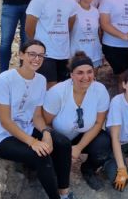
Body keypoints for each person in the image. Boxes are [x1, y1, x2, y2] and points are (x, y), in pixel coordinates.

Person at [0, 40, 74, 199]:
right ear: (21, 55)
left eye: (41, 55)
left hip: (26, 127)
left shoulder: (41, 80)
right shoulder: (5, 80)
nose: (36, 59)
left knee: (63, 143)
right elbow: (5, 121)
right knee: (41, 154)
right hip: (0, 136)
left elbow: (36, 116)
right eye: (32, 54)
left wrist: (45, 132)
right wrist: (33, 142)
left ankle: (64, 192)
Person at [43, 52, 112, 192]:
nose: (86, 77)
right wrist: (62, 149)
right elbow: (45, 123)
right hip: (58, 136)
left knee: (104, 143)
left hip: (81, 134)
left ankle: (88, 169)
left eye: (89, 72)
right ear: (71, 75)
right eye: (80, 73)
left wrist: (79, 147)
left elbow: (99, 123)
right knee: (54, 170)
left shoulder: (100, 90)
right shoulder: (57, 92)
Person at [25, 0, 79, 88]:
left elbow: (69, 26)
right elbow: (29, 28)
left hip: (64, 53)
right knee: (50, 88)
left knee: (63, 87)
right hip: (46, 54)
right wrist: (38, 48)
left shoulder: (71, 2)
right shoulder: (39, 0)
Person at [69, 0, 103, 70]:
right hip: (77, 55)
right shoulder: (73, 9)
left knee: (93, 82)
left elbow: (98, 33)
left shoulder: (96, 11)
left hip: (94, 54)